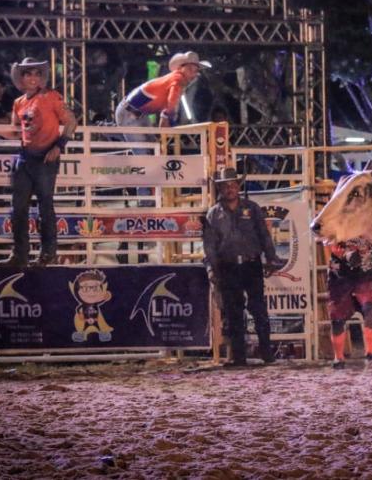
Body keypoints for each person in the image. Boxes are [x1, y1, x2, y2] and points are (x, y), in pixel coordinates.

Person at [0, 57, 76, 267]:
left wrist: (59, 146)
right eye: (28, 73)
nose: (33, 78)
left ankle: (48, 254)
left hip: (46, 157)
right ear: (22, 77)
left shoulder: (51, 96)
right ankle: (20, 255)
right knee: (18, 208)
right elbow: (16, 132)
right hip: (25, 157)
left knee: (45, 207)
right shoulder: (19, 102)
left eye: (37, 73)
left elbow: (71, 121)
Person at [202, 166, 277, 366]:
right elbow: (209, 246)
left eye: (233, 185)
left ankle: (266, 352)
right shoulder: (213, 214)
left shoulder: (252, 209)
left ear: (237, 187)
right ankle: (239, 356)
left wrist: (271, 258)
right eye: (226, 186)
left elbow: (264, 235)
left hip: (251, 264)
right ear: (220, 189)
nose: (230, 189)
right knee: (233, 312)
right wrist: (212, 269)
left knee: (258, 309)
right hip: (228, 267)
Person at [114, 51, 210, 132]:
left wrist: (167, 118)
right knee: (145, 149)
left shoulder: (174, 80)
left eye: (195, 71)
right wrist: (169, 119)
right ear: (181, 68)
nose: (193, 74)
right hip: (129, 113)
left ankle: (110, 129)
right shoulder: (177, 79)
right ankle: (111, 130)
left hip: (137, 114)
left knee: (151, 146)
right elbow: (172, 102)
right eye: (190, 69)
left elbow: (168, 105)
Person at [327, 238, 372, 369]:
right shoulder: (332, 221)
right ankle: (338, 358)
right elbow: (323, 236)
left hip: (364, 270)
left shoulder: (365, 221)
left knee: (370, 309)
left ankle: (370, 354)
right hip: (339, 272)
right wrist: (334, 250)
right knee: (337, 317)